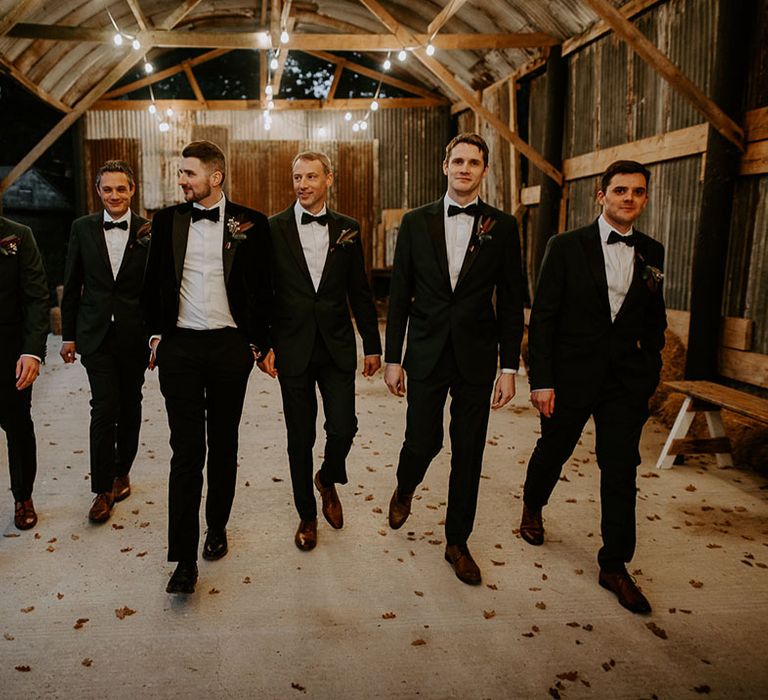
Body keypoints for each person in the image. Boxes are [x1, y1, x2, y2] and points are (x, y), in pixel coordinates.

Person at [519, 160, 666, 614]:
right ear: (600, 196)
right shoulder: (565, 247)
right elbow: (542, 318)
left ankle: (615, 564)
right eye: (620, 190)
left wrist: (650, 371)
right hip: (570, 376)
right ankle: (532, 506)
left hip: (625, 380)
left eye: (638, 192)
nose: (629, 198)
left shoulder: (652, 252)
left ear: (644, 198)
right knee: (555, 448)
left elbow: (654, 317)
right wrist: (541, 380)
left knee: (620, 467)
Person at [384, 133, 524, 585]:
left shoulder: (502, 227)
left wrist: (509, 367)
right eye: (458, 161)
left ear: (484, 171)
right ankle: (406, 486)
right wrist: (393, 357)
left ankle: (457, 541)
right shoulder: (415, 222)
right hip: (425, 352)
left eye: (474, 163)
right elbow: (399, 293)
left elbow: (512, 299)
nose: (465, 168)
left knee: (469, 451)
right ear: (445, 166)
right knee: (423, 440)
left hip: (477, 357)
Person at [142, 140, 272, 594]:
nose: (181, 181)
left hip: (229, 349)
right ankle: (183, 561)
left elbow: (265, 288)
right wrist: (155, 337)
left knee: (223, 444)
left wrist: (260, 343)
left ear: (215, 177)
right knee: (185, 453)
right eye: (180, 173)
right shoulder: (165, 222)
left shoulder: (250, 223)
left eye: (189, 174)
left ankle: (216, 526)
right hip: (179, 350)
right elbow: (152, 284)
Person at [261, 151, 381, 551]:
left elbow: (359, 293)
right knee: (300, 436)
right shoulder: (273, 228)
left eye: (311, 176)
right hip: (292, 347)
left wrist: (372, 345)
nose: (303, 184)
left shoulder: (348, 229)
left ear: (329, 179)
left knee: (344, 427)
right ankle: (307, 515)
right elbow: (262, 293)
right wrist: (264, 346)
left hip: (336, 346)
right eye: (297, 177)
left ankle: (327, 477)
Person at [60, 160, 150, 523]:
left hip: (134, 335)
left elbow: (158, 289)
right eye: (107, 189)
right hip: (95, 334)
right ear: (98, 191)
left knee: (130, 404)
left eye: (121, 189)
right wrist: (68, 335)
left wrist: (157, 335)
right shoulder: (82, 228)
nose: (114, 195)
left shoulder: (148, 230)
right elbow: (72, 282)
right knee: (104, 408)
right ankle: (101, 489)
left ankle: (122, 470)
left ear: (132, 191)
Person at [0, 216, 49, 530]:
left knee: (17, 426)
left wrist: (32, 351)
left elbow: (36, 298)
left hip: (9, 354)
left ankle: (23, 497)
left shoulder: (19, 236)